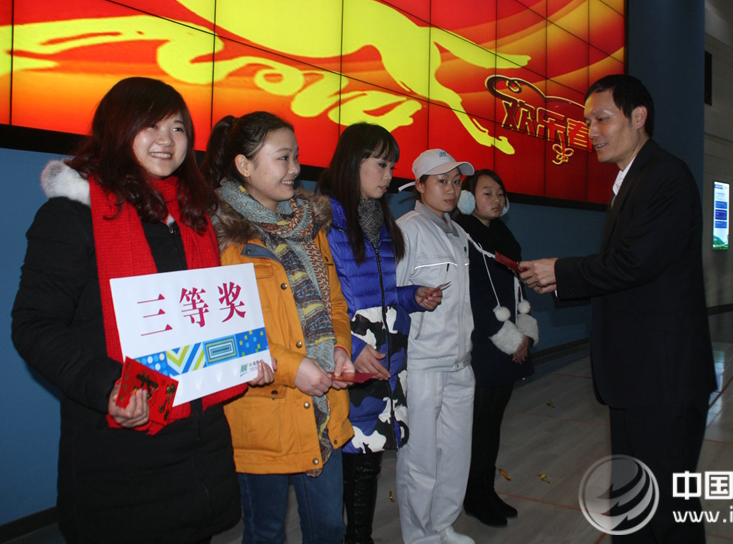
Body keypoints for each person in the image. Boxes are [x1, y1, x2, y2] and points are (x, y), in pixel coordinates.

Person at [11, 76, 261, 543]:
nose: (167, 140)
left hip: (202, 453)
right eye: (150, 125)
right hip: (122, 454)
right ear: (117, 128)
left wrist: (243, 356)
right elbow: (34, 326)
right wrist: (109, 386)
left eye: (177, 128)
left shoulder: (194, 217)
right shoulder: (73, 215)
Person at [520, 74, 717, 543]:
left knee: (665, 508)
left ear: (638, 117)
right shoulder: (633, 178)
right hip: (639, 372)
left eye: (602, 119)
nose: (591, 131)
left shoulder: (665, 176)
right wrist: (562, 278)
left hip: (662, 375)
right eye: (588, 121)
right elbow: (627, 270)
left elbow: (635, 263)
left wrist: (561, 270)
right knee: (636, 497)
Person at [202, 111, 355, 544]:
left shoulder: (310, 225)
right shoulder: (219, 235)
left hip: (324, 408)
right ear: (244, 165)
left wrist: (340, 348)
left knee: (329, 529)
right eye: (282, 158)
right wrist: (293, 368)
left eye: (296, 157)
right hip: (263, 414)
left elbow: (335, 303)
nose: (295, 168)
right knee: (266, 532)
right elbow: (220, 330)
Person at [315, 122, 441, 544]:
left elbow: (380, 291)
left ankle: (360, 537)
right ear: (353, 161)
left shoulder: (381, 220)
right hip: (347, 357)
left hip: (385, 356)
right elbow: (314, 301)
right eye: (381, 164)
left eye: (392, 165)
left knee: (367, 460)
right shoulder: (322, 220)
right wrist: (351, 345)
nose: (389, 175)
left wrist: (411, 296)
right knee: (348, 458)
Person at [395, 149, 476, 544]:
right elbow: (391, 294)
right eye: (441, 181)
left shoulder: (458, 233)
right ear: (420, 185)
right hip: (423, 364)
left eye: (456, 181)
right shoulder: (406, 230)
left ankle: (443, 525)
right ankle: (419, 536)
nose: (451, 189)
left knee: (456, 454)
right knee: (421, 458)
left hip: (460, 362)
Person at [454, 170, 537, 528]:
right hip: (483, 343)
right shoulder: (462, 234)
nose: (497, 199)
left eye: (500, 193)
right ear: (467, 199)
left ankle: (487, 490)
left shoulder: (503, 234)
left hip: (509, 337)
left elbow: (517, 287)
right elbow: (474, 296)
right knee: (478, 425)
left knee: (493, 424)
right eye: (487, 192)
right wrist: (507, 337)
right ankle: (473, 496)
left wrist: (523, 332)